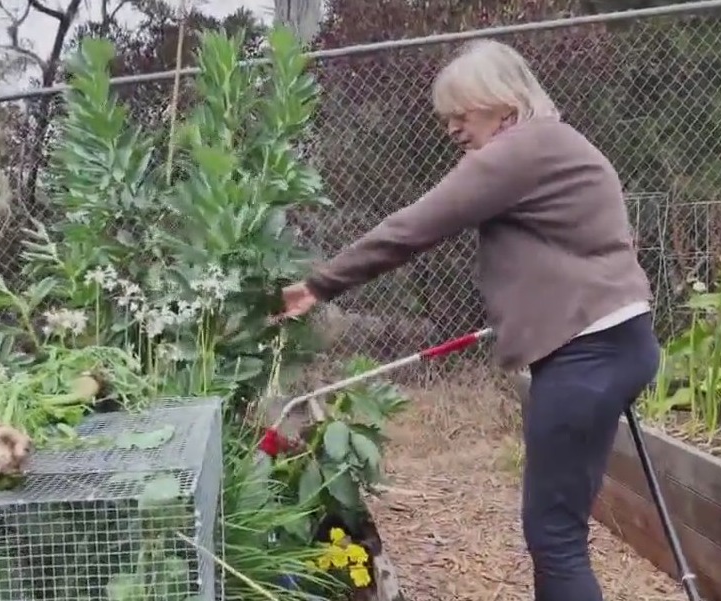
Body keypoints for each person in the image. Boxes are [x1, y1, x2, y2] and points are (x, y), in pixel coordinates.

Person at [276, 38, 661, 601]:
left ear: (504, 103)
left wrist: (319, 283)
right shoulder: (553, 145)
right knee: (560, 527)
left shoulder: (519, 150)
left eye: (463, 113)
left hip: (589, 352)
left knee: (554, 534)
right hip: (611, 342)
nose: (454, 128)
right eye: (446, 118)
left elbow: (417, 226)